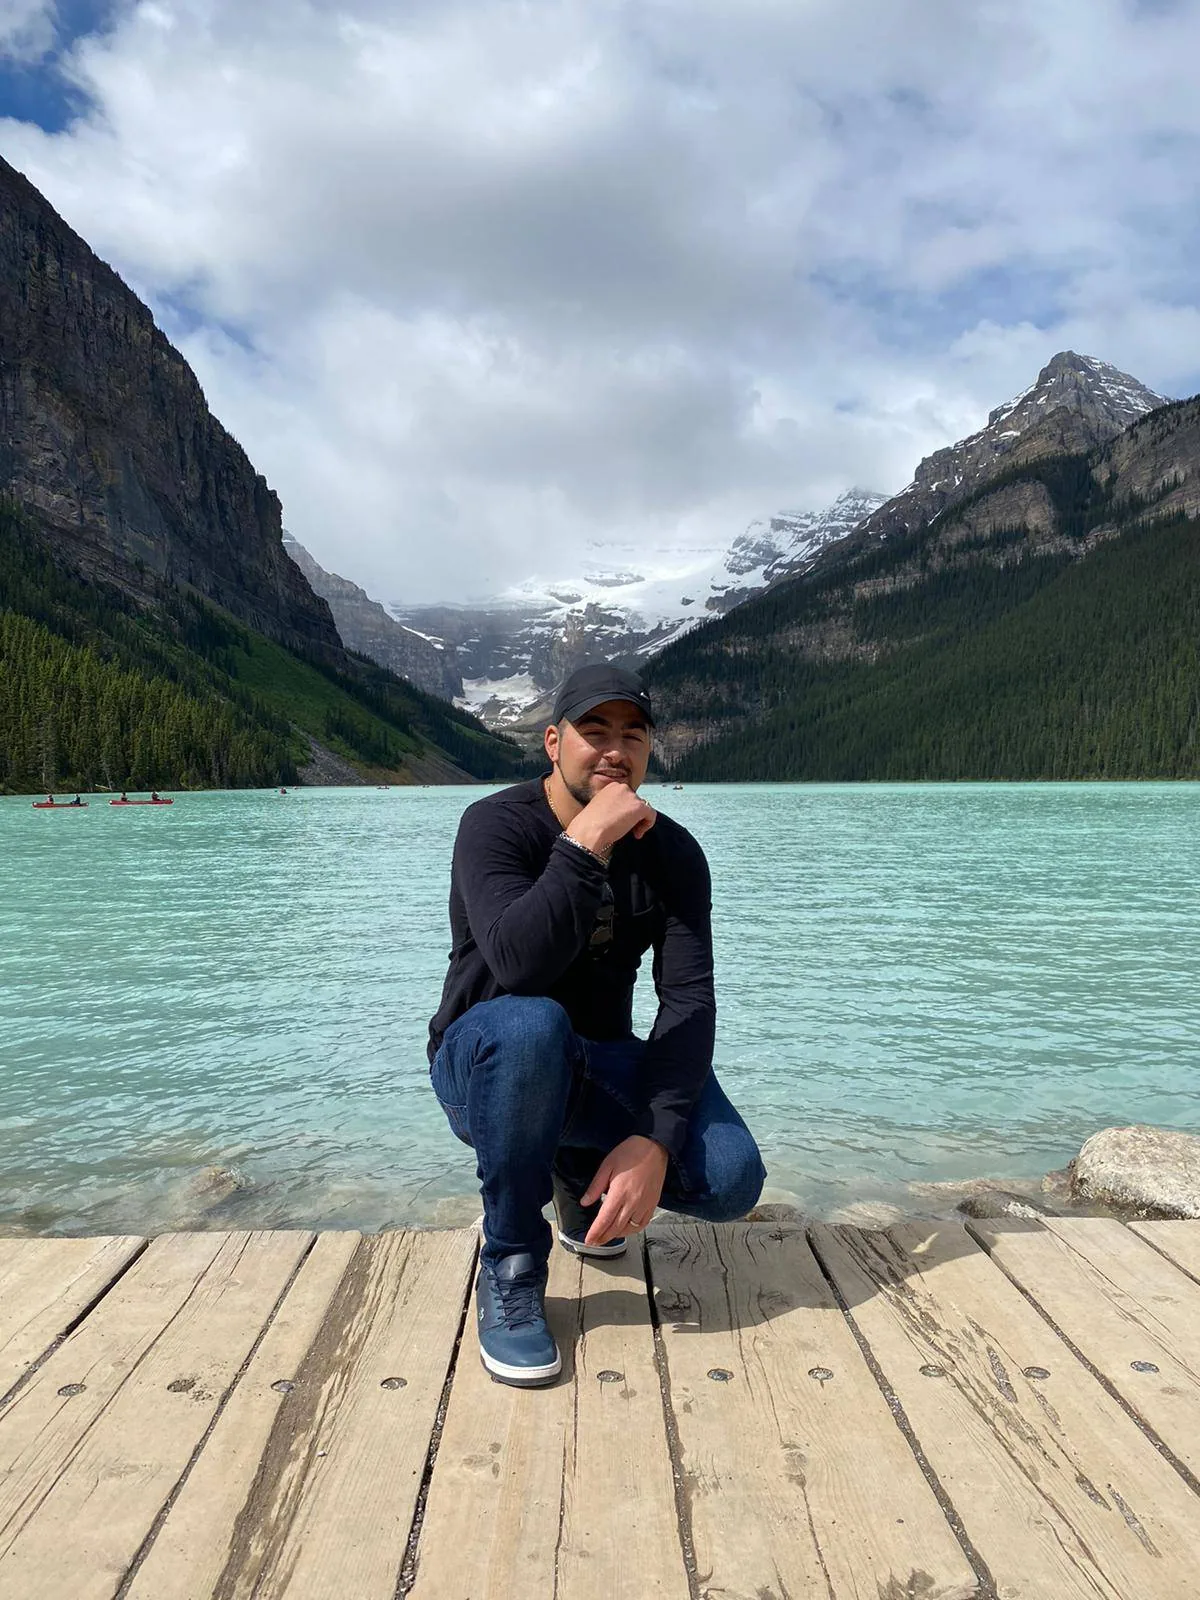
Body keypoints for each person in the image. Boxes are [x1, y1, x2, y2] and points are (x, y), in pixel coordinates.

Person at [428, 663, 764, 1388]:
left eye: (632, 735)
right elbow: (519, 963)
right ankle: (513, 1266)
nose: (615, 750)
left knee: (731, 1179)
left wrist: (653, 1138)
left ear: (648, 752)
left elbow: (688, 1004)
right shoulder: (494, 825)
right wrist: (584, 845)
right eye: (595, 731)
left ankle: (577, 1180)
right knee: (531, 1026)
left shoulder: (673, 853)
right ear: (553, 742)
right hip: (484, 1061)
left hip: (595, 1065)